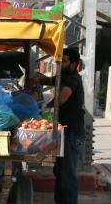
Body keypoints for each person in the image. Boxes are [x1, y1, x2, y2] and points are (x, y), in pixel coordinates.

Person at [29, 47, 85, 204]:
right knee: (59, 171)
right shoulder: (64, 76)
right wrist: (38, 79)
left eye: (65, 61)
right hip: (63, 132)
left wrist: (45, 106)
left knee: (67, 174)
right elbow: (50, 80)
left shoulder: (73, 78)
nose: (61, 64)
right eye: (60, 61)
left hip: (72, 133)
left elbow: (62, 99)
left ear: (74, 64)